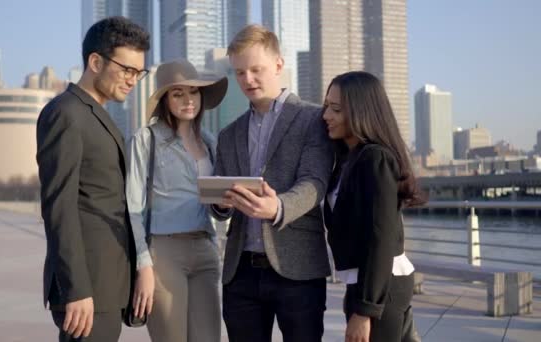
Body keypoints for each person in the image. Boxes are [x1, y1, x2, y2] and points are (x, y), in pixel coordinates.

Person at [212, 24, 333, 342]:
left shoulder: (312, 119)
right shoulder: (228, 135)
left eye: (256, 69)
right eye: (239, 72)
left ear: (279, 65)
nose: (247, 79)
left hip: (298, 268)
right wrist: (220, 203)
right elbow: (221, 202)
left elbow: (314, 182)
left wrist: (277, 207)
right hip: (241, 274)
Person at [36, 16, 150, 342]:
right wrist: (76, 290)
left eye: (138, 73)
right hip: (87, 291)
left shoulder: (96, 114)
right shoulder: (66, 113)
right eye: (126, 69)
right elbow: (60, 207)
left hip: (108, 284)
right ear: (95, 61)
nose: (133, 80)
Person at [125, 59, 228, 342]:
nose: (188, 100)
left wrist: (225, 204)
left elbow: (217, 208)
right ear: (164, 99)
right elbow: (131, 210)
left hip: (205, 250)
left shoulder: (209, 142)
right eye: (177, 93)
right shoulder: (145, 140)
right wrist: (143, 266)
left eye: (193, 92)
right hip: (163, 253)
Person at [322, 71, 424, 342]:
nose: (326, 116)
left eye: (335, 109)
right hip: (364, 284)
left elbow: (381, 239)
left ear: (360, 111)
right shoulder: (348, 159)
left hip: (381, 289)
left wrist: (365, 311)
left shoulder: (375, 159)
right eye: (326, 107)